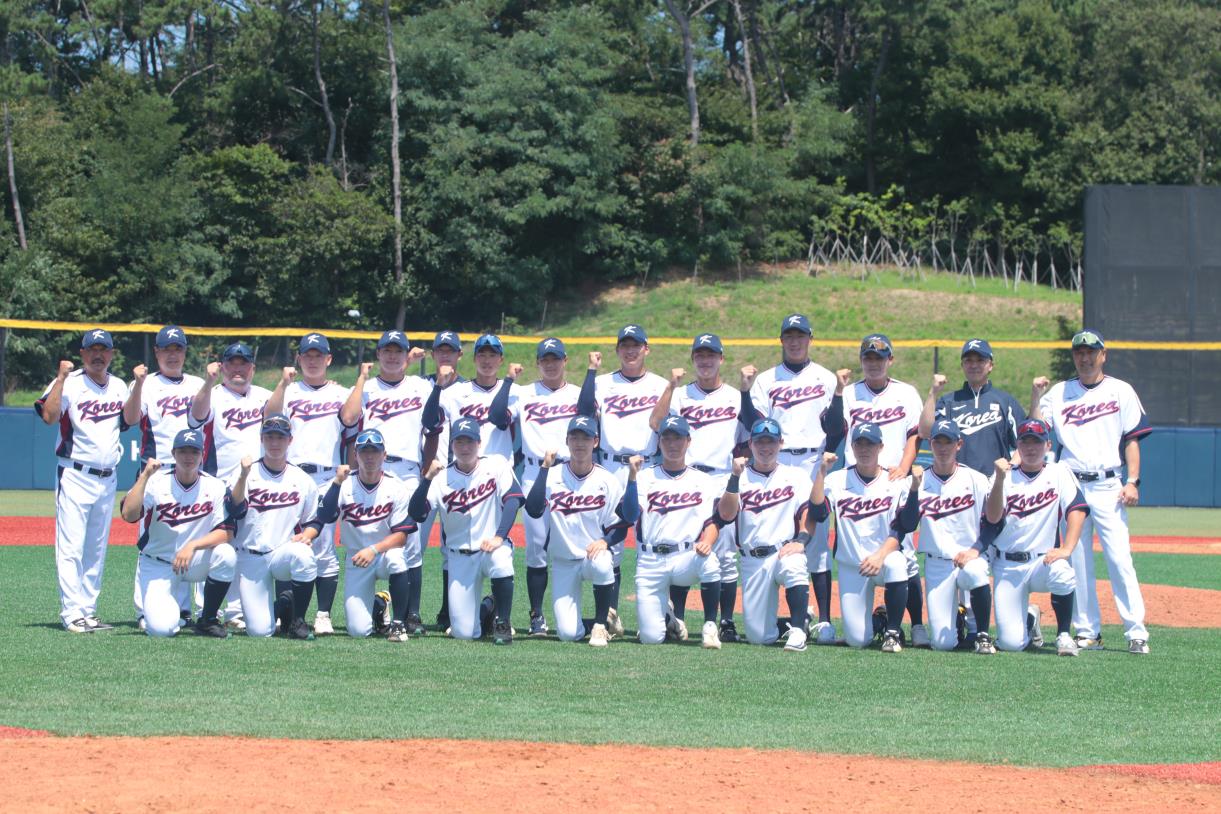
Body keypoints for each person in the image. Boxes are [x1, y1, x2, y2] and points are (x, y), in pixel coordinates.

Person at [1030, 329, 1152, 654]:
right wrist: (1034, 395)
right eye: (1079, 352)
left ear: (1103, 354)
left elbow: (1133, 439)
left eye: (1090, 351)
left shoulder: (1120, 391)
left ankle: (1135, 631)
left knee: (1119, 558)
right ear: (1074, 356)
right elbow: (1036, 428)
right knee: (1077, 560)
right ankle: (1087, 631)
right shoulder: (1060, 392)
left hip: (1109, 483)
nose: (1084, 357)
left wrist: (1133, 481)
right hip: (1070, 482)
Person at [742, 313, 845, 645]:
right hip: (776, 457)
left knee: (814, 542)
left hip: (813, 460)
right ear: (781, 340)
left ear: (811, 338)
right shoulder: (767, 379)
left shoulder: (826, 378)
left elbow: (836, 426)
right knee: (771, 532)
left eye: (801, 335)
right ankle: (786, 614)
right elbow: (753, 419)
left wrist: (827, 461)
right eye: (789, 335)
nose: (795, 341)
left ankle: (823, 619)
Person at [649, 333, 750, 645]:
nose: (705, 361)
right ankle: (677, 618)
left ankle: (727, 620)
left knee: (725, 553)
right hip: (688, 477)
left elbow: (749, 431)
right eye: (699, 356)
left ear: (721, 359)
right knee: (684, 544)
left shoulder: (735, 396)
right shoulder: (681, 396)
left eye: (711, 355)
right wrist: (670, 387)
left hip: (722, 478)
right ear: (693, 359)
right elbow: (656, 423)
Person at [35, 329, 129, 633]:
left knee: (96, 548)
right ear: (82, 354)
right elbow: (49, 416)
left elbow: (129, 421)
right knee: (72, 546)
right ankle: (72, 612)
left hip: (108, 477)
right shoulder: (70, 383)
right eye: (92, 350)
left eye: (104, 350)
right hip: (75, 474)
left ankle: (88, 611)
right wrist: (60, 379)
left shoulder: (118, 386)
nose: (98, 355)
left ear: (112, 354)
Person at [265, 332, 358, 635]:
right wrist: (283, 383)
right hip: (291, 475)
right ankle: (286, 612)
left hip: (325, 475)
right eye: (308, 355)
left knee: (323, 544)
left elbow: (352, 425)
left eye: (319, 355)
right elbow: (269, 416)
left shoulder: (340, 393)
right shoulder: (289, 392)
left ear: (329, 359)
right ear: (300, 359)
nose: (314, 360)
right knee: (287, 542)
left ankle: (322, 614)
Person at [577, 324, 667, 637]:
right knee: (611, 542)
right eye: (624, 345)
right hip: (611, 466)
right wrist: (590, 371)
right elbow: (584, 411)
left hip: (648, 465)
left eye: (636, 345)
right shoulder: (602, 383)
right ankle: (610, 616)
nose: (630, 350)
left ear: (647, 349)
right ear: (617, 350)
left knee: (653, 540)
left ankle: (663, 616)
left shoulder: (660, 385)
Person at [341, 329, 432, 635]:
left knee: (411, 547)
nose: (392, 356)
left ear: (407, 356)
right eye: (386, 351)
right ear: (378, 354)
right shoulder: (366, 389)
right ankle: (378, 604)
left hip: (406, 470)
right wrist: (361, 379)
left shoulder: (420, 386)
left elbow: (434, 424)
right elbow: (349, 418)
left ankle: (411, 615)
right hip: (370, 467)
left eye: (398, 351)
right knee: (371, 537)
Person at [839, 333, 927, 646]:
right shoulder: (849, 394)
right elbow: (837, 427)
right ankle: (878, 619)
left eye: (880, 358)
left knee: (904, 557)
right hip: (857, 478)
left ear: (890, 360)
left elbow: (915, 435)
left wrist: (904, 467)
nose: (874, 363)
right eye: (868, 358)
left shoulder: (905, 392)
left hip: (892, 477)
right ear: (862, 361)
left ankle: (915, 625)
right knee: (856, 639)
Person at [524, 416, 640, 647]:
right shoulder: (553, 476)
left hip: (591, 556)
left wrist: (606, 541)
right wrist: (545, 468)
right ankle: (606, 621)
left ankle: (599, 625)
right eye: (574, 438)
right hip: (563, 561)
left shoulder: (606, 480)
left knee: (603, 561)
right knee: (568, 633)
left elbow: (625, 520)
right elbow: (533, 509)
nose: (579, 443)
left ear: (595, 441)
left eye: (585, 438)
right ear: (567, 441)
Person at [408, 417, 522, 644]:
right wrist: (427, 479)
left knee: (501, 561)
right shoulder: (441, 477)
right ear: (452, 446)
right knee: (463, 633)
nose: (465, 447)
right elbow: (417, 512)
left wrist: (500, 536)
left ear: (479, 443)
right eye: (460, 442)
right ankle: (488, 607)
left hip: (491, 546)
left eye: (470, 442)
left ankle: (503, 621)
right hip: (459, 557)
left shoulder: (496, 464)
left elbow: (513, 500)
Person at [984, 419, 1089, 656]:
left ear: (1048, 445)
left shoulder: (1059, 472)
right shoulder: (1003, 476)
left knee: (1063, 572)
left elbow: (1077, 508)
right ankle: (1030, 620)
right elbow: (992, 518)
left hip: (1042, 562)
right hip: (1007, 565)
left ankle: (1063, 633)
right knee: (1011, 645)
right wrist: (1000, 480)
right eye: (1025, 442)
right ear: (1017, 447)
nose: (1031, 448)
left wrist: (1067, 548)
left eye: (1037, 442)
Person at [124, 325, 205, 630]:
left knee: (186, 536)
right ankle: (144, 609)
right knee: (150, 541)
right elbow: (130, 419)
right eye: (166, 349)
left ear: (185, 352)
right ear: (156, 352)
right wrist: (138, 384)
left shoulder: (198, 383)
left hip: (190, 469)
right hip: (154, 471)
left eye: (178, 349)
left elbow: (202, 419)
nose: (173, 354)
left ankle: (183, 609)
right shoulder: (146, 384)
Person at [119, 429, 237, 638]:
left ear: (202, 455)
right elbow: (129, 515)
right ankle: (170, 608)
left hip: (194, 559)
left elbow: (226, 533)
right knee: (162, 630)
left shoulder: (215, 485)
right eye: (183, 451)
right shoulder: (155, 482)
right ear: (173, 454)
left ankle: (208, 619)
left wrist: (192, 546)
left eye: (194, 451)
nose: (188, 457)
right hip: (158, 562)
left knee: (226, 554)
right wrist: (145, 475)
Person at [189, 341, 273, 630]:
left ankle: (235, 611)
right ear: (223, 366)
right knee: (215, 545)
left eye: (243, 363)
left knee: (245, 546)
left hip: (255, 485)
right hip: (216, 482)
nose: (238, 369)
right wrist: (207, 381)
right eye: (232, 363)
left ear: (252, 368)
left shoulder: (264, 396)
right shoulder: (211, 395)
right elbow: (195, 418)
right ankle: (204, 608)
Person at [809, 423, 914, 652]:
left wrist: (880, 555)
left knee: (898, 563)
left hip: (884, 558)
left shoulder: (895, 481)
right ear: (852, 447)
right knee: (858, 641)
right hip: (852, 565)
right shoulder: (838, 480)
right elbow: (817, 513)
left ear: (881, 447)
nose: (865, 449)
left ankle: (892, 632)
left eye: (871, 444)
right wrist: (821, 471)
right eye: (859, 444)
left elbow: (901, 528)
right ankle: (879, 620)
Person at [309, 429, 420, 641]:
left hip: (384, 553)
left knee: (398, 559)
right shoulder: (345, 484)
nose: (370, 457)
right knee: (358, 631)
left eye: (375, 452)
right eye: (364, 452)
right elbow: (324, 514)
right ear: (355, 455)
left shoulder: (396, 486)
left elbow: (401, 537)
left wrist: (374, 549)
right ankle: (379, 604)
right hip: (356, 558)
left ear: (384, 455)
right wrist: (336, 483)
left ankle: (398, 624)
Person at [632, 415, 731, 649]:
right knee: (651, 638)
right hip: (650, 560)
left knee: (710, 561)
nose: (672, 444)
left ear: (688, 441)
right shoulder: (644, 477)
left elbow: (714, 521)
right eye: (667, 438)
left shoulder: (704, 480)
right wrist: (631, 478)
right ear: (659, 443)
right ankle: (668, 617)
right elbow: (628, 514)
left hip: (686, 556)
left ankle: (709, 626)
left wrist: (707, 540)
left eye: (678, 438)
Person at [715, 419, 813, 652]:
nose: (765, 447)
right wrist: (734, 478)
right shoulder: (739, 477)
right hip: (752, 559)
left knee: (795, 563)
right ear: (751, 444)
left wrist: (801, 540)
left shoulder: (796, 476)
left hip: (783, 550)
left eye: (771, 441)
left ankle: (798, 630)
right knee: (759, 637)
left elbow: (807, 513)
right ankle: (800, 621)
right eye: (760, 442)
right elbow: (727, 515)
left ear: (781, 443)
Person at [902, 420, 996, 653]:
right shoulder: (917, 480)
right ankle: (959, 618)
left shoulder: (976, 479)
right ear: (931, 445)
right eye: (938, 442)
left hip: (969, 557)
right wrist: (914, 490)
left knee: (976, 572)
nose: (943, 448)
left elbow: (995, 523)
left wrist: (976, 550)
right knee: (943, 644)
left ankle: (982, 634)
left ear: (959, 445)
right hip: (937, 563)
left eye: (949, 442)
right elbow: (907, 524)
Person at [228, 413, 319, 640]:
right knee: (260, 632)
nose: (275, 443)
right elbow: (235, 509)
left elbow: (313, 520)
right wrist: (243, 475)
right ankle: (283, 606)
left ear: (290, 440)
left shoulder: (302, 479)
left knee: (304, 555)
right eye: (270, 437)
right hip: (249, 557)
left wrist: (307, 535)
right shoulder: (246, 473)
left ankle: (298, 620)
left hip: (281, 553)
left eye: (280, 437)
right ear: (262, 439)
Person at [514, 337, 582, 636]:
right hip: (534, 472)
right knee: (536, 548)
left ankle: (576, 611)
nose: (551, 364)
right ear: (537, 363)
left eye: (556, 358)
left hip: (569, 473)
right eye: (545, 359)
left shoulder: (580, 394)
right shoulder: (522, 393)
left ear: (565, 361)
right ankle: (537, 614)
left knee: (573, 544)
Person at [417, 330, 468, 628]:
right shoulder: (419, 386)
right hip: (424, 472)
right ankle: (409, 612)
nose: (446, 355)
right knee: (415, 544)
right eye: (441, 350)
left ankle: (448, 612)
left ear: (460, 355)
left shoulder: (468, 389)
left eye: (451, 350)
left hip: (455, 474)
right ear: (433, 354)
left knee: (453, 546)